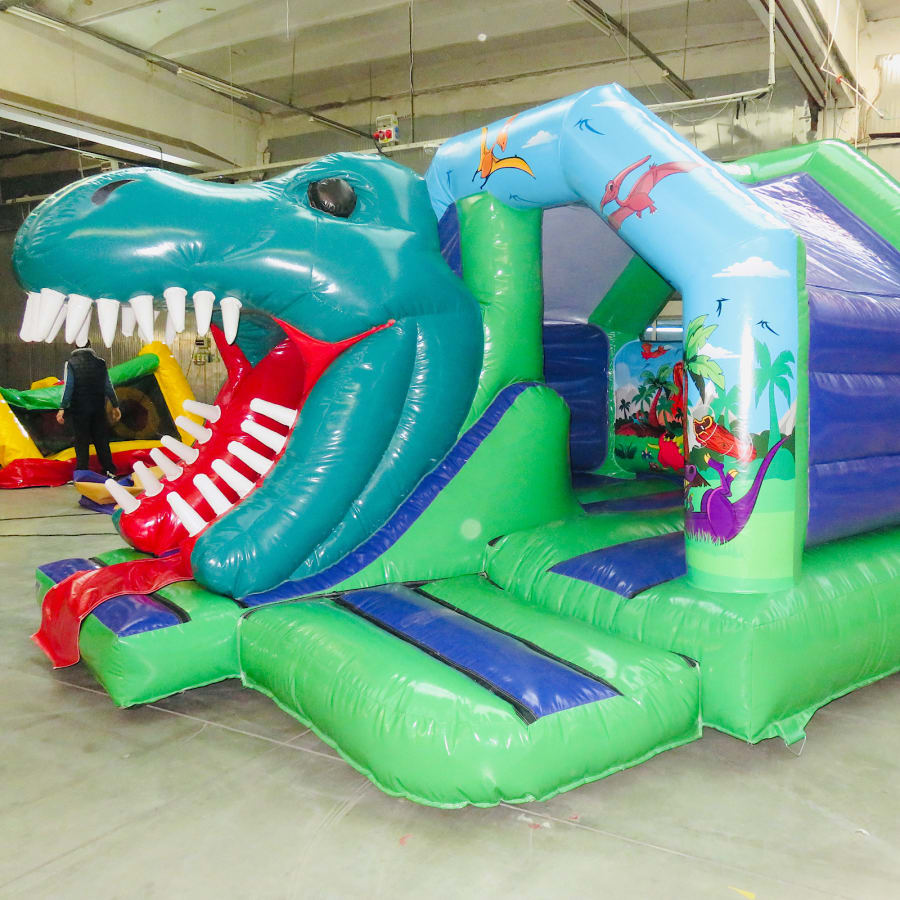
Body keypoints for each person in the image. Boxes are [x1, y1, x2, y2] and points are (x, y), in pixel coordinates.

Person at [55, 341, 122, 477]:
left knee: (81, 441)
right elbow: (108, 385)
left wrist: (62, 408)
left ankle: (82, 472)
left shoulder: (71, 363)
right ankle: (109, 470)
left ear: (75, 346)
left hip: (79, 409)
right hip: (98, 407)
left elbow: (69, 386)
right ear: (90, 346)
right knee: (101, 439)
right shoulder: (100, 363)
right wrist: (115, 405)